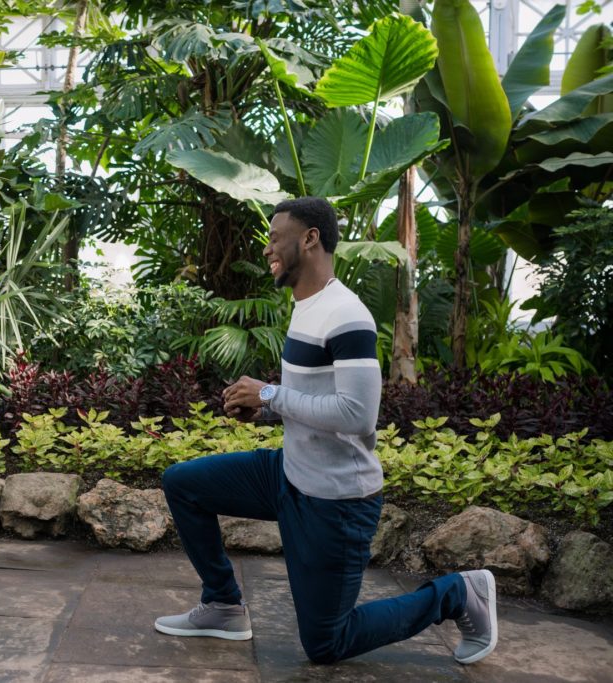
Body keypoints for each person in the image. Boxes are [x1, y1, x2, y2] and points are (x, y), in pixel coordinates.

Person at [154, 197, 498, 666]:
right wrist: (265, 411)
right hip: (289, 474)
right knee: (184, 483)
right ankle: (223, 605)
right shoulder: (306, 305)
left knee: (326, 643)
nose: (268, 250)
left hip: (335, 501)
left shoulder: (347, 315)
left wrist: (271, 395)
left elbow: (357, 414)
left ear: (310, 238)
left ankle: (459, 592)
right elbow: (317, 400)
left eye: (276, 239)